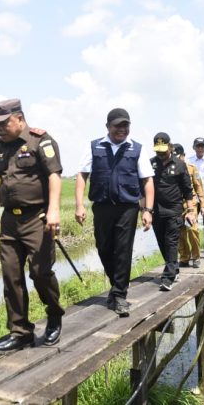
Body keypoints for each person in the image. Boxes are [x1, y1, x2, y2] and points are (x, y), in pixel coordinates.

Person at [0, 98, 65, 353]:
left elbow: (54, 175)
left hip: (37, 219)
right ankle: (20, 332)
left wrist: (53, 210)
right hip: (10, 221)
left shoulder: (41, 140)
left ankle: (54, 315)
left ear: (19, 118)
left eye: (4, 123)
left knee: (41, 273)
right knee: (11, 276)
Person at [75, 108, 154, 317]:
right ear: (108, 126)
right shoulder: (94, 146)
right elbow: (82, 175)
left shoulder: (137, 148)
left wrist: (147, 210)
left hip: (127, 207)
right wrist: (79, 205)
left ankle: (119, 295)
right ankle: (115, 286)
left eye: (125, 125)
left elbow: (147, 180)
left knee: (123, 250)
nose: (122, 129)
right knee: (103, 247)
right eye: (117, 125)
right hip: (102, 207)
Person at [150, 133, 196, 291]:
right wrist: (146, 210)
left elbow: (188, 190)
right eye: (158, 150)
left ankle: (167, 277)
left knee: (171, 242)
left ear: (170, 146)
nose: (160, 153)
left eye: (163, 150)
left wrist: (190, 210)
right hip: (156, 211)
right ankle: (174, 269)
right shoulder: (150, 164)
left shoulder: (179, 165)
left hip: (174, 210)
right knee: (162, 242)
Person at [173, 144, 204, 268]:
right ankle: (184, 257)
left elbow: (199, 187)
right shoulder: (171, 168)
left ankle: (196, 257)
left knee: (192, 230)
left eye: (178, 156)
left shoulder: (192, 168)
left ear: (183, 155)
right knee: (180, 233)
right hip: (177, 205)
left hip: (191, 204)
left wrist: (203, 205)